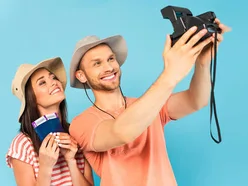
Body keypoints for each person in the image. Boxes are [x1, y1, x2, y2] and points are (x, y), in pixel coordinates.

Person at [67, 19, 231, 185]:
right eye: (97, 63)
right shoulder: (81, 124)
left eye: (111, 59)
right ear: (81, 76)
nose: (109, 67)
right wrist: (170, 74)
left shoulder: (149, 104)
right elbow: (122, 132)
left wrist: (202, 63)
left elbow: (196, 100)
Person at [6, 57, 94, 186]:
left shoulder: (77, 133)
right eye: (42, 83)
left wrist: (71, 161)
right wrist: (45, 167)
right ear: (31, 98)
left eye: (53, 77)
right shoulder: (23, 144)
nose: (54, 83)